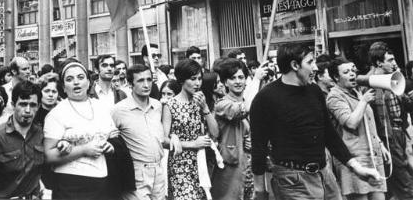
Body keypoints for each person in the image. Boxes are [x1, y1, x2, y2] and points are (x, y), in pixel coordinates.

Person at [250, 44, 381, 200]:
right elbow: (259, 147)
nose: (315, 68)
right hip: (291, 181)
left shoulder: (314, 91)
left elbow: (329, 134)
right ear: (294, 65)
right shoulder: (265, 98)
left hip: (325, 175)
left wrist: (356, 166)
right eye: (310, 62)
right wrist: (259, 190)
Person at [43, 59, 117, 199]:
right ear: (63, 87)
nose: (76, 82)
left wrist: (110, 146)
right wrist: (83, 150)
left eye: (80, 77)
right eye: (69, 79)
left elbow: (112, 136)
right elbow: (49, 156)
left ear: (89, 82)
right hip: (70, 182)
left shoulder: (100, 107)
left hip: (101, 179)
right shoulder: (57, 113)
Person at [326, 57, 388, 200]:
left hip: (372, 156)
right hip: (354, 160)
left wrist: (380, 144)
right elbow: (351, 122)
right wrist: (364, 101)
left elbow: (367, 122)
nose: (352, 74)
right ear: (336, 77)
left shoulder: (357, 92)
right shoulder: (334, 97)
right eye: (346, 72)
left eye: (353, 70)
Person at [163, 59, 219, 200]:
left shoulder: (200, 101)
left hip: (200, 163)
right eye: (193, 79)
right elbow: (164, 140)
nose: (197, 83)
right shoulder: (170, 105)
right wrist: (192, 144)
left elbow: (215, 133)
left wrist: (205, 108)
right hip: (179, 164)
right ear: (182, 80)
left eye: (199, 79)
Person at [0, 81, 44, 199]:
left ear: (38, 106)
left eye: (33, 105)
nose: (28, 110)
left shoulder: (41, 134)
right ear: (13, 105)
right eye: (23, 104)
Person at [112, 64, 169, 200]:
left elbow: (163, 135)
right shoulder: (119, 110)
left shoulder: (157, 106)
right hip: (136, 171)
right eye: (140, 80)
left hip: (158, 170)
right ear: (131, 84)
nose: (146, 85)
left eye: (149, 80)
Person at [367, 41, 413, 199]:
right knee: (404, 180)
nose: (395, 63)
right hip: (388, 136)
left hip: (400, 132)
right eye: (390, 60)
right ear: (379, 62)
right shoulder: (371, 84)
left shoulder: (393, 78)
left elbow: (406, 107)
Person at [211, 59, 254, 200]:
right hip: (230, 164)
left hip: (250, 165)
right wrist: (257, 80)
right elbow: (240, 110)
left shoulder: (246, 102)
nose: (237, 81)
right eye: (232, 78)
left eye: (241, 77)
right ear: (225, 82)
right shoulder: (222, 104)